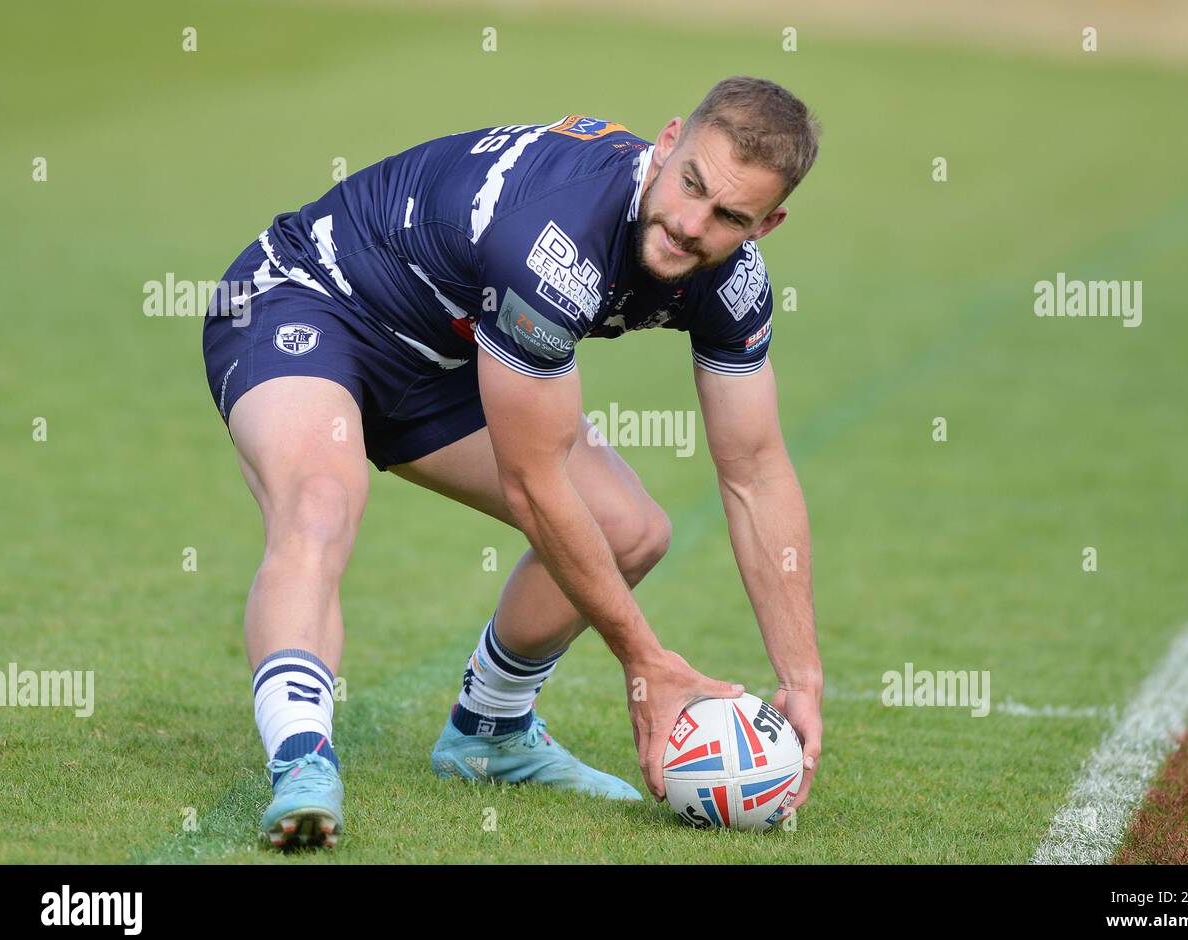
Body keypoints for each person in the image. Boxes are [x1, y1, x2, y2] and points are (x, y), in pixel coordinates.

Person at [201, 75, 823, 848]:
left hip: (448, 351)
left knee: (629, 529)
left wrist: (801, 678)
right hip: (307, 297)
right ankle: (302, 762)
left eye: (730, 215)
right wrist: (646, 662)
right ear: (668, 143)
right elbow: (534, 483)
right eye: (691, 183)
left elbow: (755, 470)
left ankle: (488, 735)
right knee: (321, 499)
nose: (692, 225)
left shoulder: (734, 285)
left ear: (768, 224)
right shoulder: (557, 236)